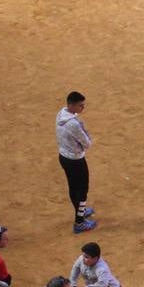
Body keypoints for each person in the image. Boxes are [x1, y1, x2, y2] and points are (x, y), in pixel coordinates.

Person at [56, 90, 95, 233]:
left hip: (64, 157)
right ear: (71, 106)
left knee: (73, 188)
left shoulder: (61, 113)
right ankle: (79, 222)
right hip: (75, 160)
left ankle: (81, 211)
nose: (82, 108)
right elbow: (87, 143)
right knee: (83, 190)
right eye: (80, 106)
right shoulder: (74, 124)